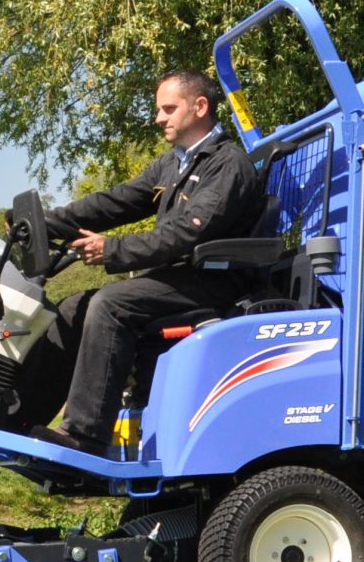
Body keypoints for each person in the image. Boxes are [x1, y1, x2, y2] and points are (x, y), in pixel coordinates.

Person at [27, 68, 268, 452]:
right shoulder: (172, 165)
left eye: (168, 109)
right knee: (74, 307)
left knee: (110, 305)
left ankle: (85, 435)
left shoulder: (227, 165)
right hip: (178, 277)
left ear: (200, 106)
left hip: (214, 281)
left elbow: (185, 233)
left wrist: (111, 250)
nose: (159, 118)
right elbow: (117, 202)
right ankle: (27, 420)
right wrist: (45, 223)